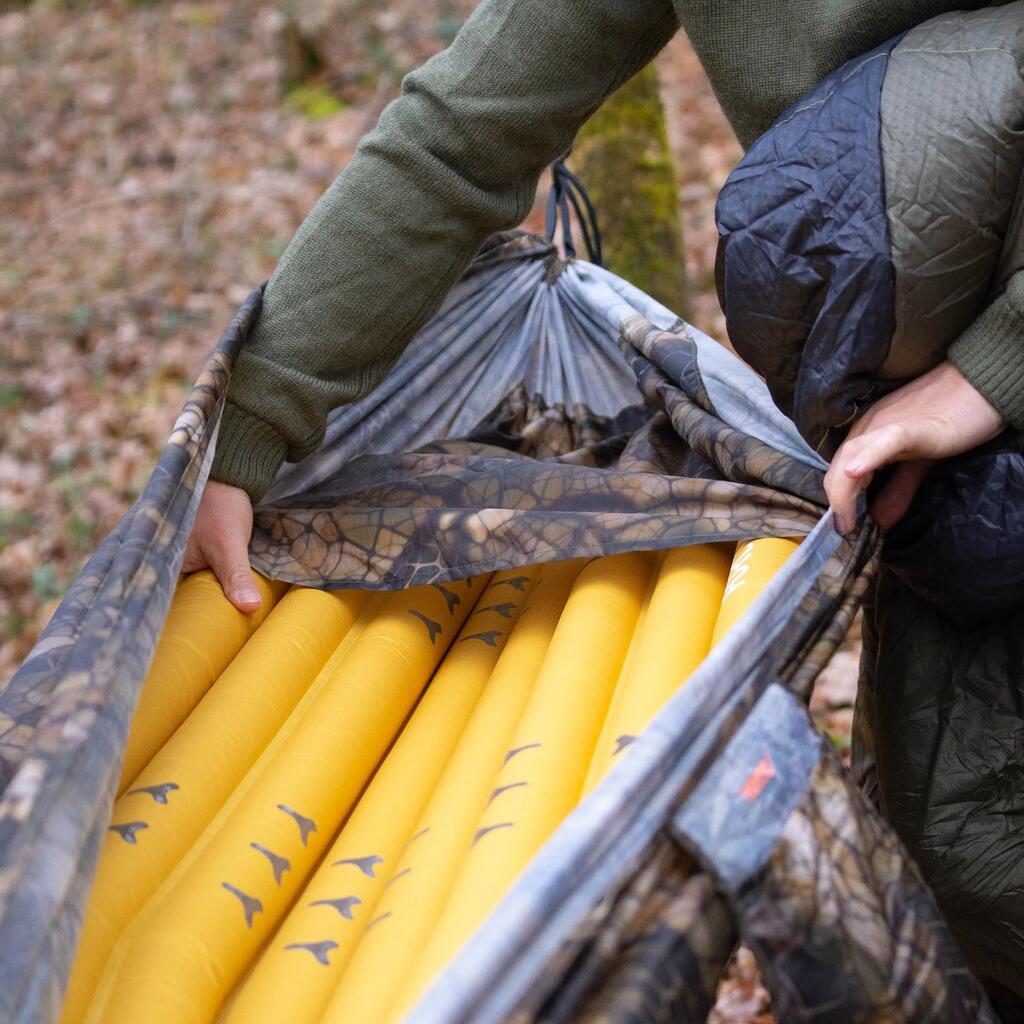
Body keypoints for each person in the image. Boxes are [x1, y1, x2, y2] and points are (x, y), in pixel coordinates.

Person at [184, 0, 1014, 613]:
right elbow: (457, 141)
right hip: (927, 475)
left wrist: (992, 369)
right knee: (962, 818)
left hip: (971, 393)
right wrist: (243, 430)